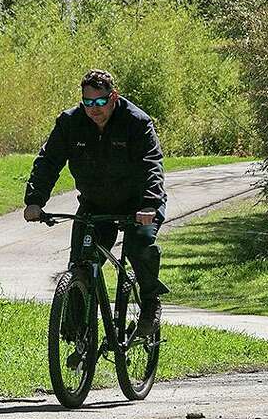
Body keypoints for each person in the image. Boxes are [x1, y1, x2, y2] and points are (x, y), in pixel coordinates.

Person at [23, 69, 168, 334]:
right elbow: (49, 161)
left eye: (100, 102)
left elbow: (151, 165)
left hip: (139, 204)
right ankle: (78, 332)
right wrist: (35, 200)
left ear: (113, 97)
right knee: (80, 261)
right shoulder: (70, 122)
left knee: (141, 246)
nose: (94, 109)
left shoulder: (136, 122)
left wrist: (149, 204)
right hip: (95, 204)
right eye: (88, 103)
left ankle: (150, 306)